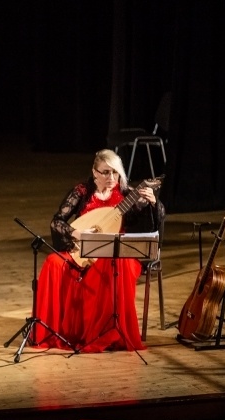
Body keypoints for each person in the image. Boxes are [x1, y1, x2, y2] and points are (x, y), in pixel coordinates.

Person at [31, 149, 165, 353]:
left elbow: (154, 221)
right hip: (83, 250)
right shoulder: (82, 192)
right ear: (94, 172)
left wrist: (154, 204)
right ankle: (52, 331)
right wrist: (77, 233)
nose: (111, 177)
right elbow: (57, 222)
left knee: (114, 262)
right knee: (53, 262)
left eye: (115, 172)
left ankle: (108, 333)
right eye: (105, 172)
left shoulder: (128, 194)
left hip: (118, 254)